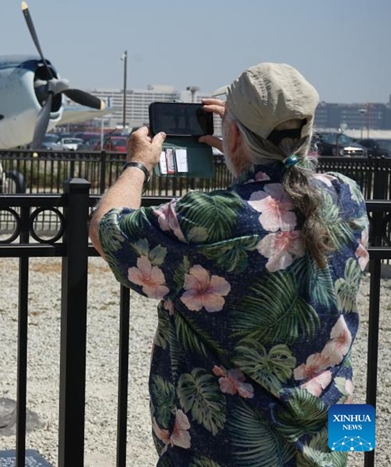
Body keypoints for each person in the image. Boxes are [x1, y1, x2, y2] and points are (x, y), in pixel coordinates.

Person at [89, 63, 368, 465]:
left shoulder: (209, 217)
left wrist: (139, 163)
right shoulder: (348, 198)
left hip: (227, 447)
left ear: (232, 131)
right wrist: (248, 154)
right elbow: (295, 187)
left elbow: (106, 229)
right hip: (326, 441)